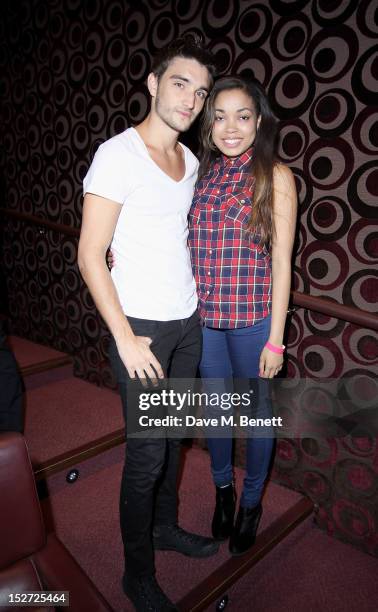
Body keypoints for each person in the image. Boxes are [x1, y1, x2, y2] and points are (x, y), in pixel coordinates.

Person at [78, 36, 219, 612]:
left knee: (174, 441)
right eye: (181, 84)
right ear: (154, 85)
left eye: (201, 91)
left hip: (187, 323)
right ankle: (137, 573)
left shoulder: (189, 160)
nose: (191, 99)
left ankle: (164, 528)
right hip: (142, 330)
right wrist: (125, 338)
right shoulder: (118, 154)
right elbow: (91, 254)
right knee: (146, 456)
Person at [188, 76, 297, 555]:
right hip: (205, 322)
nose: (230, 127)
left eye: (243, 115)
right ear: (208, 123)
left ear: (259, 121)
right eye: (220, 115)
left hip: (253, 321)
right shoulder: (200, 174)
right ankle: (223, 491)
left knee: (257, 416)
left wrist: (277, 340)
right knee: (214, 412)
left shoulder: (274, 174)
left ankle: (251, 502)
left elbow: (282, 262)